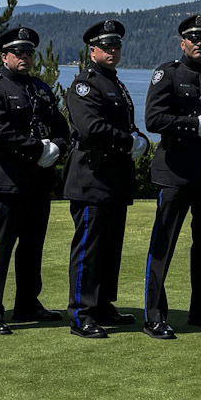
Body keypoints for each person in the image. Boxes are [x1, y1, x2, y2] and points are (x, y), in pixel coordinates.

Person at [141, 13, 201, 339]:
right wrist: (194, 125)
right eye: (193, 38)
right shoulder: (167, 73)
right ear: (182, 41)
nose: (199, 43)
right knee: (163, 245)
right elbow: (153, 119)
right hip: (175, 172)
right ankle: (154, 316)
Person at [0, 26, 69, 334]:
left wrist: (58, 147)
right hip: (6, 181)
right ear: (4, 56)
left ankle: (28, 302)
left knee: (32, 247)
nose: (24, 57)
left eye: (29, 53)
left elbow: (60, 126)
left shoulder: (40, 88)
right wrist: (38, 148)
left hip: (38, 181)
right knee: (0, 246)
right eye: (18, 52)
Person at [65, 19, 149, 338]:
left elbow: (125, 123)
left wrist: (137, 135)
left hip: (113, 177)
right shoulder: (85, 84)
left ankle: (101, 305)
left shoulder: (115, 83)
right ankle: (81, 312)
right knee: (89, 247)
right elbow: (91, 128)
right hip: (92, 175)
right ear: (92, 50)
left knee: (111, 246)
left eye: (116, 46)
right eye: (106, 46)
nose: (112, 51)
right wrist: (129, 141)